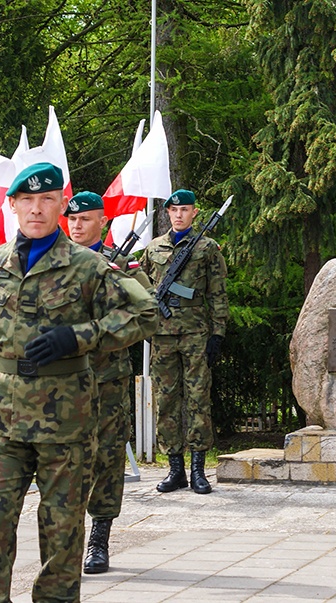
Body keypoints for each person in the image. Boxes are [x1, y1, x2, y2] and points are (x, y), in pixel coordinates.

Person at [0, 163, 158, 603]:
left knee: (61, 537)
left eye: (47, 200)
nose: (37, 209)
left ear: (59, 204)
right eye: (28, 201)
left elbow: (145, 313)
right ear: (13, 205)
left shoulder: (89, 266)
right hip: (4, 420)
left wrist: (79, 336)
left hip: (67, 425)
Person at [64, 190, 152, 574]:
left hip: (107, 380)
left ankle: (99, 538)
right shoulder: (54, 265)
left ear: (102, 221)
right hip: (62, 381)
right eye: (72, 219)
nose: (77, 226)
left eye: (85, 219)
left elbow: (146, 315)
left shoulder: (124, 268)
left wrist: (100, 335)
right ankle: (66, 538)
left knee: (107, 458)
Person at [142, 189, 228, 495]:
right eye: (174, 210)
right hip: (162, 336)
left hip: (194, 334)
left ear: (194, 213)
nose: (179, 215)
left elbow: (217, 292)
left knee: (197, 400)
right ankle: (175, 469)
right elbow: (142, 288)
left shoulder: (206, 248)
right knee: (166, 401)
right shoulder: (153, 248)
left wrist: (217, 333)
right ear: (167, 213)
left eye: (185, 210)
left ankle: (198, 470)